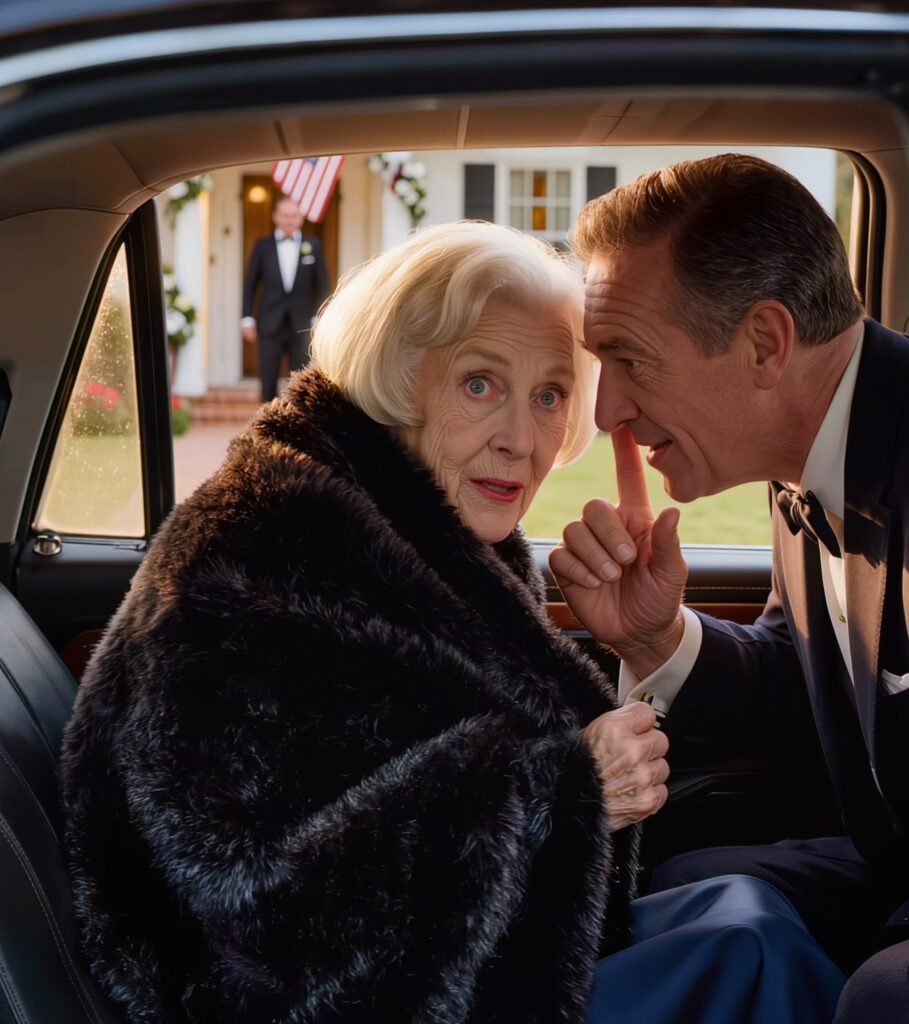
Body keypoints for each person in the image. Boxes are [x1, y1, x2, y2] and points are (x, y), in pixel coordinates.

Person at [61, 221, 843, 1024]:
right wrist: (561, 793)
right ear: (400, 380)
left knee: (749, 912)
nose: (521, 440)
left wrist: (636, 652)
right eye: (479, 384)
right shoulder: (266, 564)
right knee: (755, 952)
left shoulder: (406, 530)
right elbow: (258, 925)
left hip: (474, 960)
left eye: (549, 395)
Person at [552, 153, 909, 1022]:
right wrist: (656, 637)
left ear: (764, 343)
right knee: (690, 885)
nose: (607, 409)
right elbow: (809, 669)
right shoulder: (805, 453)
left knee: (897, 999)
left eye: (630, 360)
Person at [241, 196, 331, 402]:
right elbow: (250, 285)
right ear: (276, 217)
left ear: (301, 218)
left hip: (302, 324)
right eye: (285, 215)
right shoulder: (262, 246)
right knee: (267, 378)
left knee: (301, 379)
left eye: (294, 215)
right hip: (269, 321)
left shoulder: (313, 245)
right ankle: (267, 418)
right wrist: (247, 317)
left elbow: (322, 285)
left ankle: (297, 419)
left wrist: (319, 317)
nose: (289, 220)